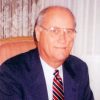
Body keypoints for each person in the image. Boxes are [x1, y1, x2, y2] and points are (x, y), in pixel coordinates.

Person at [0, 6, 94, 100]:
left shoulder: (79, 68)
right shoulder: (11, 72)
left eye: (69, 31)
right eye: (55, 31)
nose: (63, 39)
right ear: (38, 34)